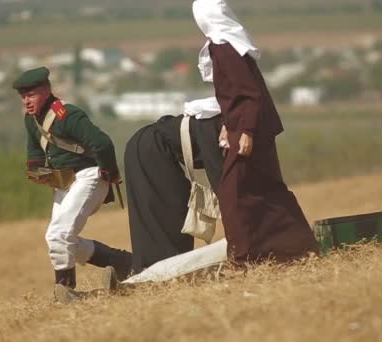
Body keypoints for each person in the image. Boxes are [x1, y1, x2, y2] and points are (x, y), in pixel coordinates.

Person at [192, 0, 318, 265]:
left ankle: (243, 258)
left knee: (233, 193)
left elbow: (249, 92)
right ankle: (297, 248)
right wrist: (229, 123)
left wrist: (246, 130)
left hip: (250, 127)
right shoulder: (225, 44)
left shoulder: (224, 47)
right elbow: (234, 94)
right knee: (266, 188)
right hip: (245, 125)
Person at [12, 66, 132, 303]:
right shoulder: (31, 120)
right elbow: (35, 153)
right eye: (23, 96)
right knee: (58, 239)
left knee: (59, 235)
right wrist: (38, 171)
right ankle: (123, 263)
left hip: (89, 176)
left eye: (31, 95)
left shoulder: (67, 115)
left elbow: (102, 143)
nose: (26, 101)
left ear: (46, 90)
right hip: (65, 183)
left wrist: (108, 174)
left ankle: (65, 291)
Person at [123, 97, 224, 274]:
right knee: (171, 214)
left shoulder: (221, 122)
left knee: (161, 217)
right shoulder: (217, 125)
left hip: (146, 147)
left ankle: (145, 270)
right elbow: (222, 181)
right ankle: (159, 272)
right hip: (150, 150)